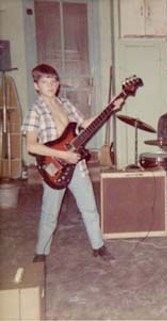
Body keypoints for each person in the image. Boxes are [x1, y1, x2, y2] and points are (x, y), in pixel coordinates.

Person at [22, 64, 123, 262]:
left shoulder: (66, 104)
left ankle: (98, 246)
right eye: (44, 82)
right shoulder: (35, 111)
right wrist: (63, 156)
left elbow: (85, 125)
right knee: (50, 212)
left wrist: (110, 108)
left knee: (89, 208)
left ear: (58, 84)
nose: (50, 85)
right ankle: (41, 252)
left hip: (76, 164)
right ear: (36, 86)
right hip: (53, 166)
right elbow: (32, 146)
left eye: (53, 81)